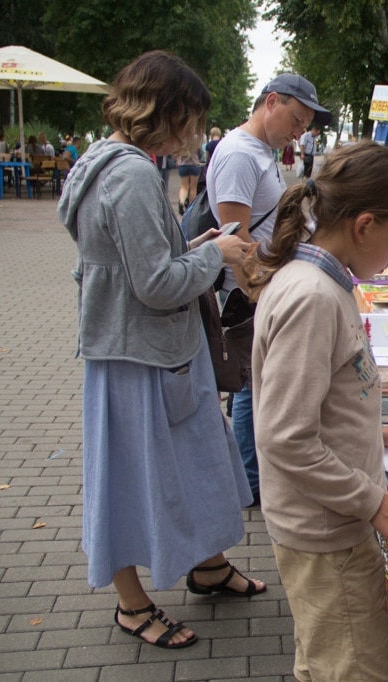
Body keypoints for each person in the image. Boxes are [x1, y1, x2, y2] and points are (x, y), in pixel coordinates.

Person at [56, 50, 264, 651]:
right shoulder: (130, 176)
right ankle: (131, 604)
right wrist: (216, 256)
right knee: (128, 479)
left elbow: (141, 264)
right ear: (165, 111)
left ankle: (208, 565)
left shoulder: (107, 162)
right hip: (140, 354)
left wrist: (195, 244)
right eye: (191, 119)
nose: (195, 134)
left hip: (145, 349)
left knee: (196, 462)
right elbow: (156, 285)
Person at [247, 141, 388, 680]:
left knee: (325, 658)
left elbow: (323, 396)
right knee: (354, 664)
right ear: (364, 225)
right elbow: (285, 437)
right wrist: (374, 503)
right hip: (327, 533)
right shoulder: (313, 298)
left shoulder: (324, 282)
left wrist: (371, 429)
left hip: (327, 525)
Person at [206, 72, 332, 505]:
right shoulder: (241, 155)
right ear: (271, 102)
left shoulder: (260, 151)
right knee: (249, 386)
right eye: (296, 121)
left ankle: (251, 476)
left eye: (304, 127)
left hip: (262, 284)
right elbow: (236, 241)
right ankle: (250, 482)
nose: (298, 133)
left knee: (255, 383)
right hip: (249, 289)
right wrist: (259, 292)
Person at [175, 143, 203, 215]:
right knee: (193, 188)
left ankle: (182, 203)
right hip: (194, 164)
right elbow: (200, 152)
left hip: (183, 165)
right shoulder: (196, 138)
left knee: (184, 187)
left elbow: (175, 152)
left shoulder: (181, 138)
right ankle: (191, 208)